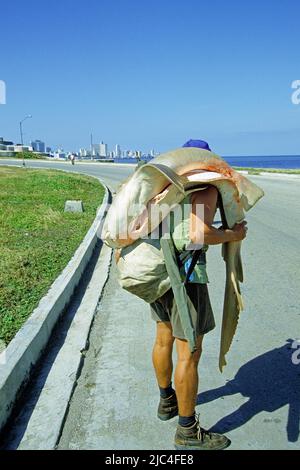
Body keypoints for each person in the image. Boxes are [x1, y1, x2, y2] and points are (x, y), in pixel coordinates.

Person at [150, 140, 248, 450]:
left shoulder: (165, 187)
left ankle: (167, 401)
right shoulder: (205, 189)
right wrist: (232, 234)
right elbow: (196, 234)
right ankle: (188, 431)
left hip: (157, 273)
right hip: (186, 279)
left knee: (162, 340)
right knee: (188, 353)